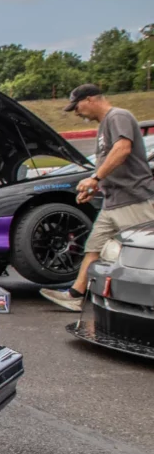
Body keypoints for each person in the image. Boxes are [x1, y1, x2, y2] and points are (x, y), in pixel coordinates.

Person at [40, 84, 154, 311]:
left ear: (91, 99)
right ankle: (75, 294)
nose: (76, 112)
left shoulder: (118, 116)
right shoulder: (104, 126)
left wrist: (94, 178)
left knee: (144, 253)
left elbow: (122, 149)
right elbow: (109, 162)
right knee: (94, 247)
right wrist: (95, 186)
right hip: (112, 201)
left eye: (77, 106)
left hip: (134, 199)